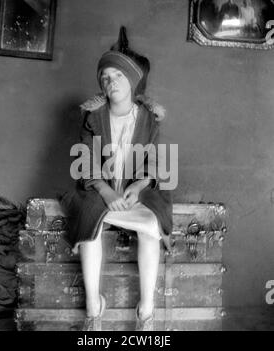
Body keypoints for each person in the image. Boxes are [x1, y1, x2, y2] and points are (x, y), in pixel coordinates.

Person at [60, 27, 173, 331]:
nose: (110, 82)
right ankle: (93, 308)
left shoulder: (149, 118)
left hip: (136, 194)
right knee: (89, 224)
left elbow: (158, 159)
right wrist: (105, 191)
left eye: (118, 76)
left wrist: (138, 186)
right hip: (101, 191)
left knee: (152, 226)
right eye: (105, 77)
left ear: (132, 80)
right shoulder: (92, 117)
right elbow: (83, 159)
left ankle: (146, 312)